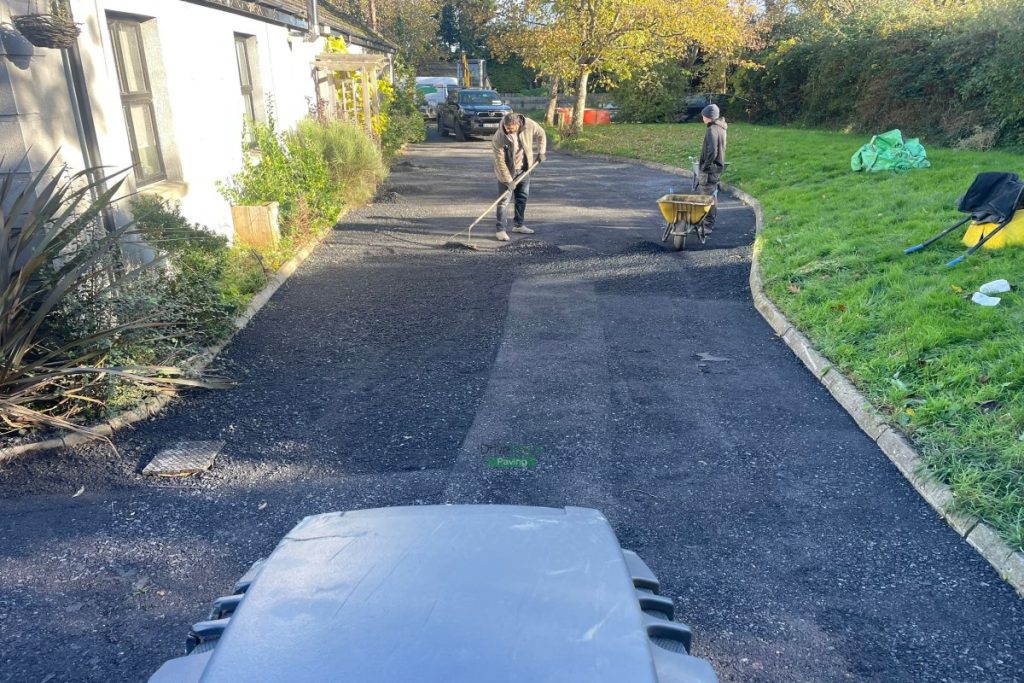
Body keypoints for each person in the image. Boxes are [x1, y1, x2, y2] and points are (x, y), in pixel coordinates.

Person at [492, 112, 547, 241]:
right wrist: (508, 180)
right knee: (503, 201)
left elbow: (541, 134)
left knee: (522, 197)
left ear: (518, 124)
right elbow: (499, 161)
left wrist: (541, 152)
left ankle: (519, 225)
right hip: (506, 171)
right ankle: (500, 230)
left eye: (510, 128)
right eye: (506, 127)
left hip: (524, 169)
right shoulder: (499, 137)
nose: (507, 130)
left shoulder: (529, 125)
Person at [697, 103, 727, 234]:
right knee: (712, 195)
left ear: (708, 117)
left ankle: (708, 225)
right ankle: (709, 222)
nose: (702, 118)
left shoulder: (712, 130)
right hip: (717, 168)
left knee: (707, 197)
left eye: (703, 116)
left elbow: (712, 152)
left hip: (710, 170)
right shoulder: (721, 128)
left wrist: (705, 166)